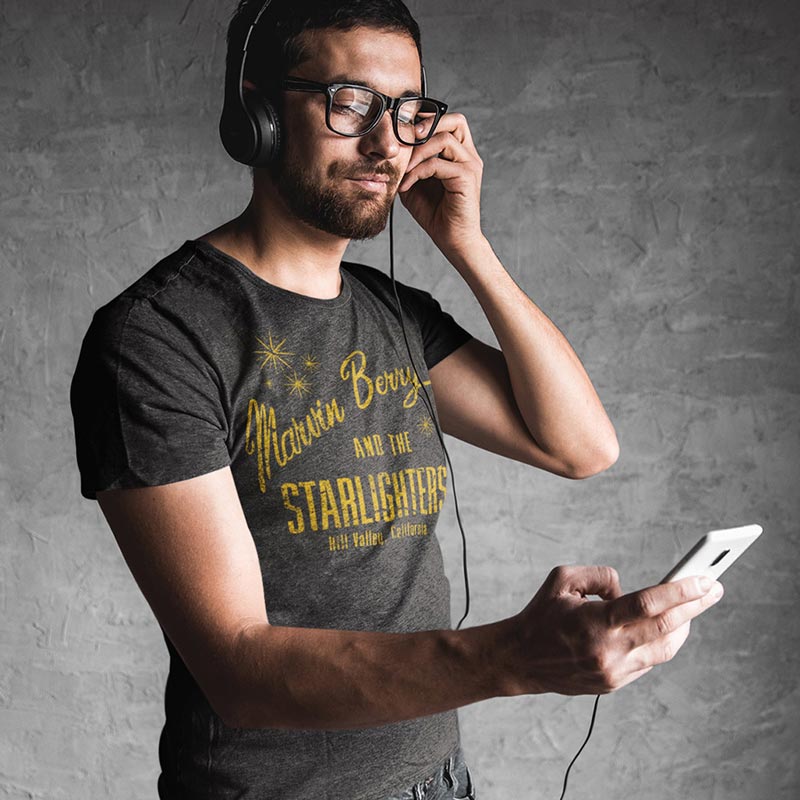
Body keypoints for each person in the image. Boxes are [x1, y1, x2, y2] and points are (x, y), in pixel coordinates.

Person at [70, 1, 724, 798]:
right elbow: (237, 667)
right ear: (259, 111)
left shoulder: (391, 313)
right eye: (350, 103)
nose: (386, 143)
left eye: (409, 113)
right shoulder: (159, 337)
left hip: (435, 782)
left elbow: (580, 447)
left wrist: (466, 246)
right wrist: (514, 656)